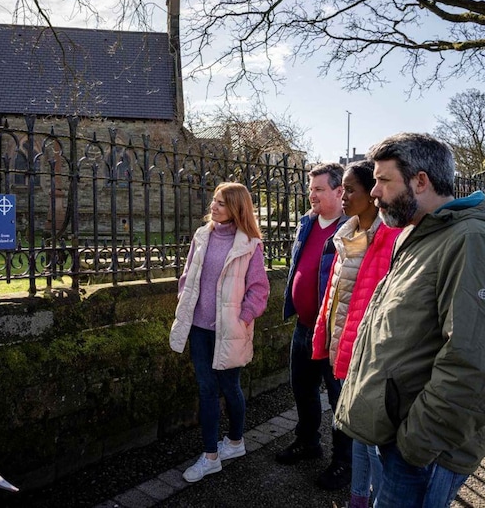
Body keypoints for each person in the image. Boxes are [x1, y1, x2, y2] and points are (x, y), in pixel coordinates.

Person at [335, 133, 485, 507]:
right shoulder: (421, 234)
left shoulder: (473, 241)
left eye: (383, 180)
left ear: (420, 181)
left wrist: (417, 443)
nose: (374, 192)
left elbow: (479, 363)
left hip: (423, 451)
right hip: (397, 433)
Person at [310, 160, 401, 508]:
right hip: (343, 346)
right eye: (343, 188)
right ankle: (358, 498)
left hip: (370, 354)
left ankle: (374, 496)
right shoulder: (346, 235)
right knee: (356, 433)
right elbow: (334, 295)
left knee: (371, 439)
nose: (343, 196)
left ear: (370, 193)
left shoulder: (389, 238)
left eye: (350, 189)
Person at [170, 182, 270, 483]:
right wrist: (184, 296)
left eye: (222, 203)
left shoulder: (250, 244)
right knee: (206, 389)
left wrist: (243, 317)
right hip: (199, 327)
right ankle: (211, 456)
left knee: (230, 388)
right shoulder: (203, 235)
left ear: (237, 209)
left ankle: (236, 442)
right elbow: (188, 273)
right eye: (214, 201)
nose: (213, 207)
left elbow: (259, 290)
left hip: (230, 330)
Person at [276, 162, 353, 491]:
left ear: (339, 191)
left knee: (339, 400)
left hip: (333, 331)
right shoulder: (306, 223)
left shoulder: (353, 230)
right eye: (311, 189)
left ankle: (343, 462)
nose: (312, 195)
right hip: (304, 327)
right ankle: (308, 442)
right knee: (302, 390)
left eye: (319, 189)